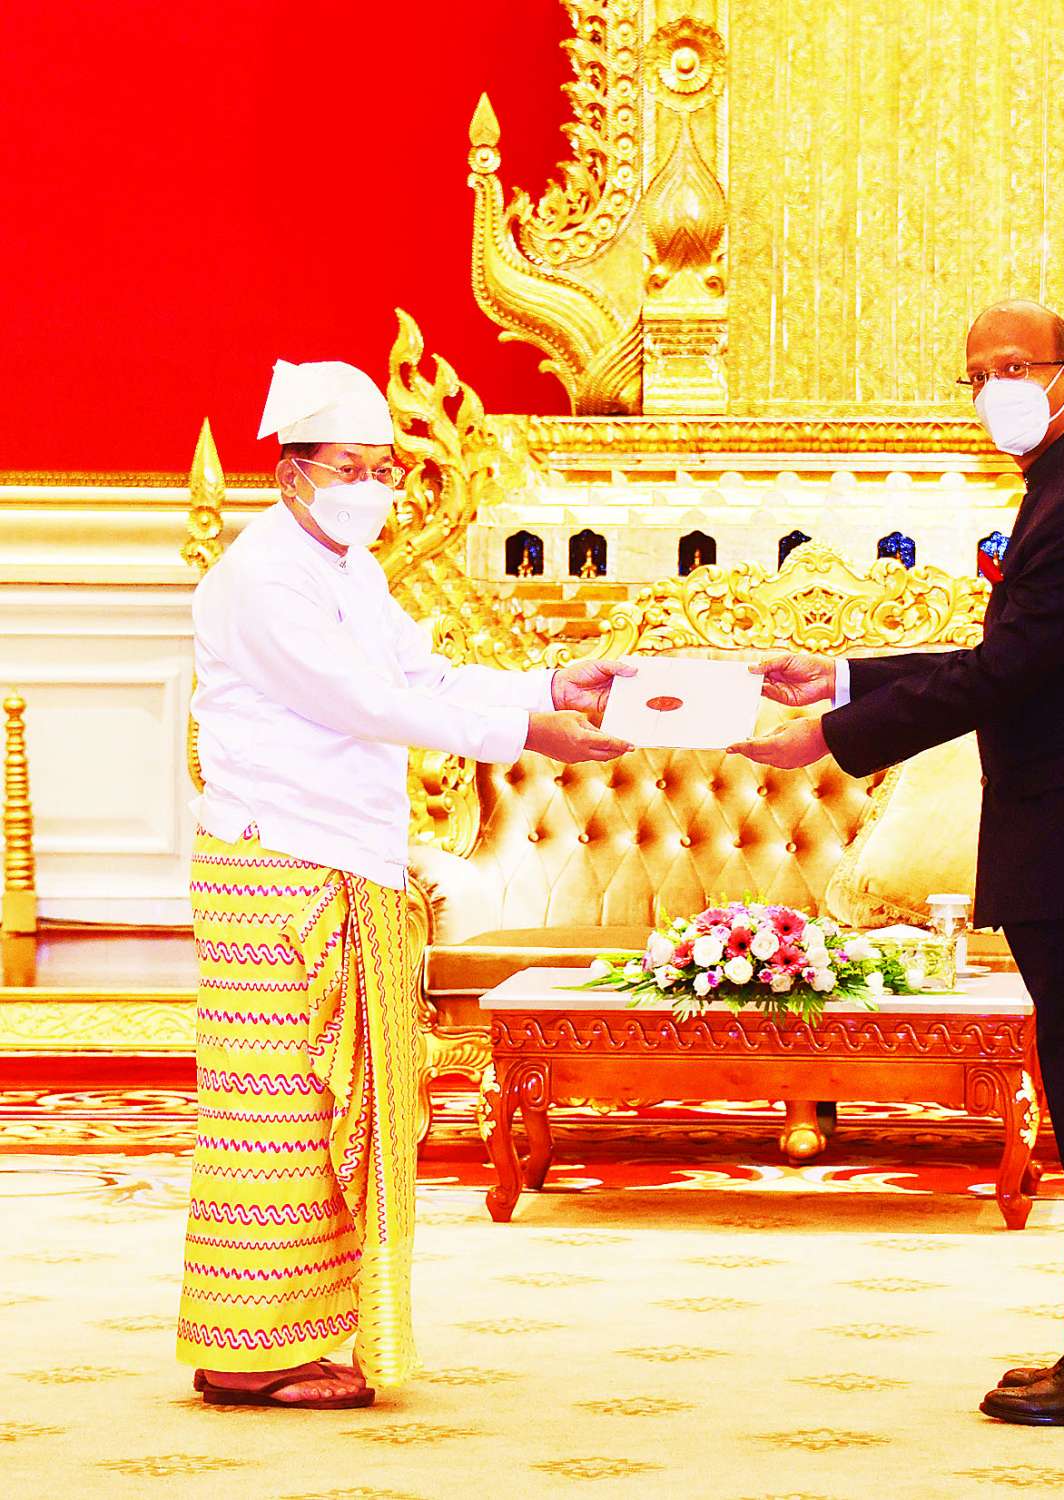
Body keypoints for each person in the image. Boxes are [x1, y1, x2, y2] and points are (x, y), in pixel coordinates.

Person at [732, 301, 1064, 1427]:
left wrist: (830, 737)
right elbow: (1011, 653)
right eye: (978, 373)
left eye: (1015, 366)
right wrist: (845, 677)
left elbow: (1004, 675)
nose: (996, 388)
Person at [179, 358, 632, 1410]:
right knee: (279, 1113)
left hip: (346, 860)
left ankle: (301, 1335)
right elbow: (363, 704)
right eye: (350, 467)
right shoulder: (263, 577)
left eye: (385, 469)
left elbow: (420, 676)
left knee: (341, 1114)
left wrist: (549, 683)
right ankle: (248, 1351)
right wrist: (532, 732)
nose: (373, 488)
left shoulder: (348, 570)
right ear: (290, 472)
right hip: (280, 871)